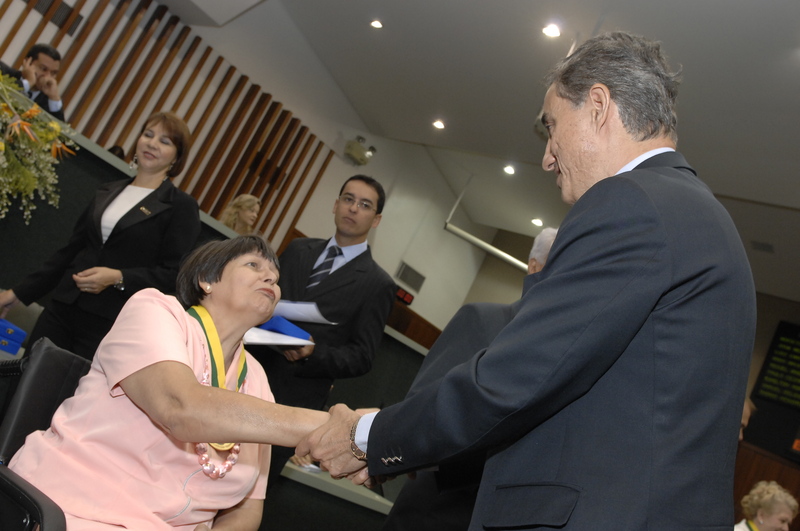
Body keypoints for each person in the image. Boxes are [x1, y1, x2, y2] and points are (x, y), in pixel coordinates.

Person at [298, 32, 756, 530]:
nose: (547, 157)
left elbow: (515, 379)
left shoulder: (632, 202)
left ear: (598, 106)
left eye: (551, 127)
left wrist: (366, 437)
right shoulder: (701, 218)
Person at [9, 235, 330, 530]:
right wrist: (333, 427)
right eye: (253, 265)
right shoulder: (156, 311)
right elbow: (179, 408)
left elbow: (247, 510)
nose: (271, 277)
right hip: (76, 508)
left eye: (275, 276)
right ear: (207, 280)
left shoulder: (257, 379)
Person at [382, 228, 557, 531]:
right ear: (534, 267)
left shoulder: (569, 353)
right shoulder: (482, 319)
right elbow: (422, 408)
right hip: (439, 508)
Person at [0, 111, 201, 360]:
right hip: (62, 307)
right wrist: (18, 294)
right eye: (148, 135)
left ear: (177, 158)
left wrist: (118, 277)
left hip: (110, 322)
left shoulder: (181, 207)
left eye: (165, 141)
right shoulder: (108, 190)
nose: (152, 143)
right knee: (27, 378)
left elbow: (174, 275)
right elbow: (70, 252)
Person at [250, 174, 395, 488]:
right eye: (348, 199)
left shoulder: (377, 283)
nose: (353, 208)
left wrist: (314, 353)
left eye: (364, 205)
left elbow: (362, 356)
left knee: (253, 485)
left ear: (376, 219)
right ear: (336, 204)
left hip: (294, 397)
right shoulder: (298, 249)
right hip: (249, 370)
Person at [0, 43, 66, 122]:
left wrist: (54, 98)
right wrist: (28, 83)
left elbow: (58, 129)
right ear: (27, 62)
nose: (48, 77)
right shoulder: (3, 71)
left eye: (53, 73)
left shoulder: (50, 102)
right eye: (43, 69)